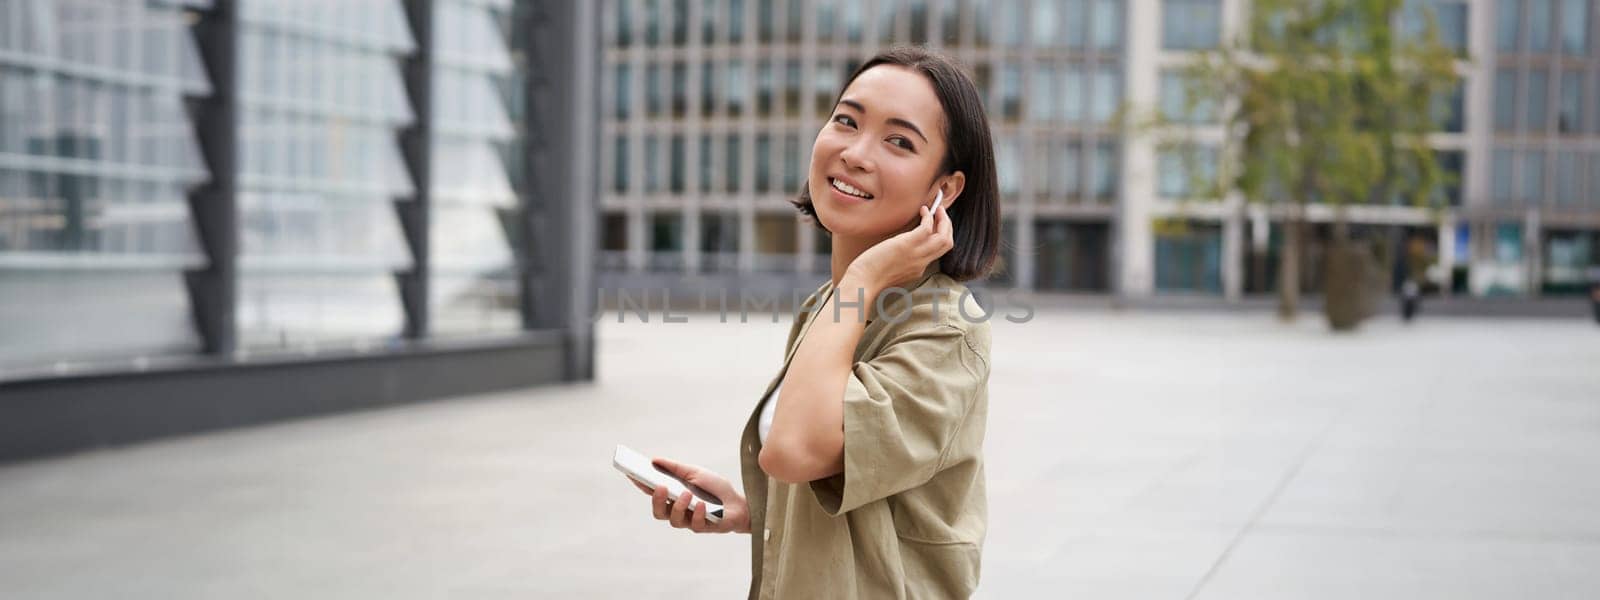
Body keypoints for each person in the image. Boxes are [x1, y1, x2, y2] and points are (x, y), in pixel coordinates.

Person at [627, 46, 1002, 599]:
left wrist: (864, 276)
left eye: (899, 141)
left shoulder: (945, 330)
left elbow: (795, 451)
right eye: (846, 121)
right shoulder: (831, 304)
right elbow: (855, 483)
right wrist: (751, 509)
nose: (854, 152)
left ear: (943, 190)